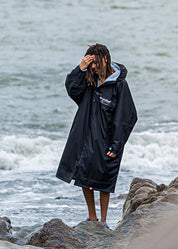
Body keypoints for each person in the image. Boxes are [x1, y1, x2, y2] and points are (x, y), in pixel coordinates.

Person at [56, 43, 137, 228]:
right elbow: (72, 89)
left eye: (96, 62)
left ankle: (103, 220)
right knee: (84, 175)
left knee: (104, 179)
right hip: (84, 135)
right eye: (90, 63)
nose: (93, 67)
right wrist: (80, 68)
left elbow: (127, 116)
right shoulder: (88, 81)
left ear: (106, 59)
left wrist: (117, 145)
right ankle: (92, 216)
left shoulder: (119, 85)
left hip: (106, 139)